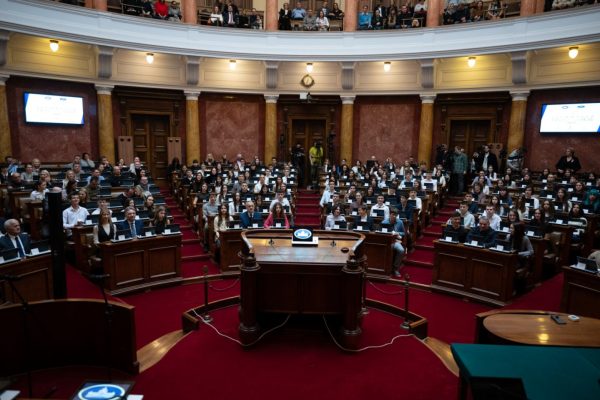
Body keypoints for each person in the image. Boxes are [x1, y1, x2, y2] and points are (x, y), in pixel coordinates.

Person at [383, 208, 406, 277]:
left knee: (401, 250)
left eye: (396, 215)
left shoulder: (400, 222)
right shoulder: (384, 222)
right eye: (393, 214)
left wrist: (398, 233)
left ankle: (395, 268)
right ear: (389, 214)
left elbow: (403, 233)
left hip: (395, 241)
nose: (394, 216)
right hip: (386, 241)